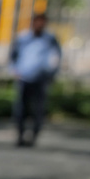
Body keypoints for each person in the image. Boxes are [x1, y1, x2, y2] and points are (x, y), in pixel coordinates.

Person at [9, 13, 61, 147]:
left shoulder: (50, 39)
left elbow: (57, 57)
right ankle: (20, 136)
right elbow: (12, 56)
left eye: (42, 22)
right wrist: (14, 70)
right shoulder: (23, 38)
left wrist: (52, 74)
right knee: (21, 110)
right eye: (37, 22)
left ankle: (34, 137)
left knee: (38, 110)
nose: (39, 25)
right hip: (24, 78)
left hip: (41, 79)